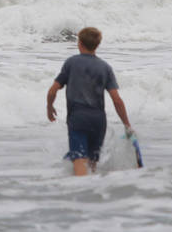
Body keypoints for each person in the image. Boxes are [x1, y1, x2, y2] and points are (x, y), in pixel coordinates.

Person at [46, 26, 132, 176]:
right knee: (92, 166)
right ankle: (92, 194)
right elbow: (117, 100)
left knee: (79, 162)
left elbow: (53, 90)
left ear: (79, 43)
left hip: (78, 118)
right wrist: (127, 124)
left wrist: (49, 107)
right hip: (98, 121)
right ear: (97, 45)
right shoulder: (105, 67)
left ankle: (81, 194)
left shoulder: (71, 63)